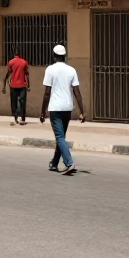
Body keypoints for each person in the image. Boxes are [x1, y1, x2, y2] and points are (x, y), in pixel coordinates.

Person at [40, 43, 85, 175]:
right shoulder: (72, 70)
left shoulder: (50, 70)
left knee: (59, 136)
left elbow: (47, 92)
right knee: (61, 137)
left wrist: (42, 111)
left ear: (54, 56)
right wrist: (82, 111)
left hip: (55, 107)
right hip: (67, 107)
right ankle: (54, 162)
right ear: (65, 56)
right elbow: (77, 92)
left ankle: (69, 163)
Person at [2, 50, 30, 125]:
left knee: (13, 102)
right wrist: (28, 85)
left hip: (13, 85)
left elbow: (7, 74)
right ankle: (23, 119)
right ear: (20, 55)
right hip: (22, 85)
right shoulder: (24, 62)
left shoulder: (10, 62)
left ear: (14, 55)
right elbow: (27, 74)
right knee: (22, 102)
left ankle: (15, 118)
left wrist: (4, 85)